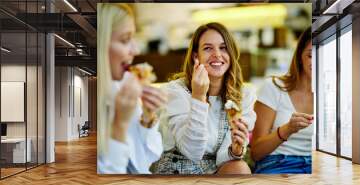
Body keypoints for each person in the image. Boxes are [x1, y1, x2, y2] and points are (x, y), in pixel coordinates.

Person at [154, 22, 256, 175]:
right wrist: (198, 96)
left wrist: (234, 150)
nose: (217, 54)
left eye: (223, 48)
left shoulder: (243, 95)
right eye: (208, 48)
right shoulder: (175, 92)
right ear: (196, 56)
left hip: (216, 167)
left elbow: (225, 158)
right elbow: (192, 152)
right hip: (179, 168)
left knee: (239, 167)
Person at [97, 3, 166, 174]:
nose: (135, 50)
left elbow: (149, 157)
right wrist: (119, 124)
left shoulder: (125, 86)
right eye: (125, 40)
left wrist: (147, 117)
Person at [250, 27, 313, 174]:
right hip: (278, 163)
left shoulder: (334, 95)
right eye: (310, 55)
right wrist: (287, 129)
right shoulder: (273, 87)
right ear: (299, 57)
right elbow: (255, 153)